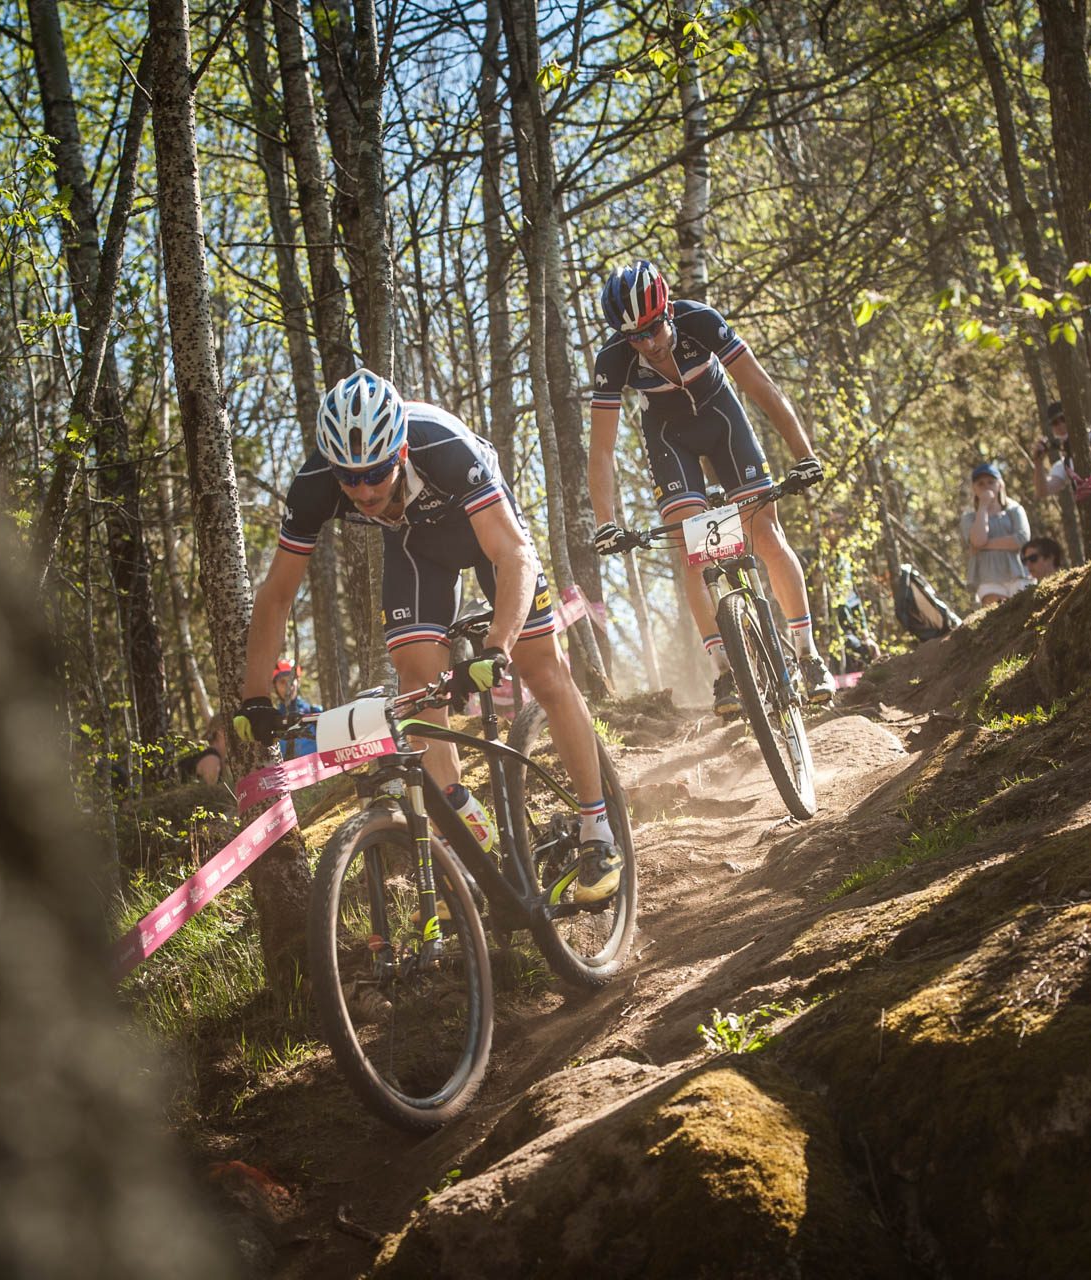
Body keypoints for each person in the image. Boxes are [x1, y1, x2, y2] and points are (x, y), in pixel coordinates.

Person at [198, 369, 621, 902]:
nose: (364, 489)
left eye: (375, 472)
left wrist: (497, 647)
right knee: (417, 685)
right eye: (348, 478)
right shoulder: (316, 484)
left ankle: (596, 828)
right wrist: (255, 695)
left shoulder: (443, 445)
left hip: (489, 536)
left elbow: (510, 552)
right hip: (417, 548)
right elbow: (278, 593)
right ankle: (464, 833)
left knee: (544, 669)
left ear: (398, 451)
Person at [586, 260, 834, 721]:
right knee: (692, 550)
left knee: (765, 534)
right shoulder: (613, 360)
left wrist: (804, 454)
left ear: (668, 313)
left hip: (723, 421)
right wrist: (605, 522)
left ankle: (807, 653)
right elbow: (601, 450)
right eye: (635, 337)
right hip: (668, 438)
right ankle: (725, 669)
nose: (648, 343)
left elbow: (760, 386)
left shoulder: (701, 320)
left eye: (654, 329)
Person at [962, 462, 1030, 606]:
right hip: (988, 580)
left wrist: (984, 546)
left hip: (1018, 575)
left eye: (991, 482)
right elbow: (978, 540)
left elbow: (1021, 539)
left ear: (1000, 485)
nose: (986, 486)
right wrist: (983, 506)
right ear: (974, 488)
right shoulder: (969, 518)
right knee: (999, 615)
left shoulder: (1015, 510)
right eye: (980, 483)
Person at [269, 660, 320, 761]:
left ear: (298, 682)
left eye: (291, 680)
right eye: (282, 682)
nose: (288, 686)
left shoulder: (315, 713)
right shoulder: (273, 721)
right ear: (275, 686)